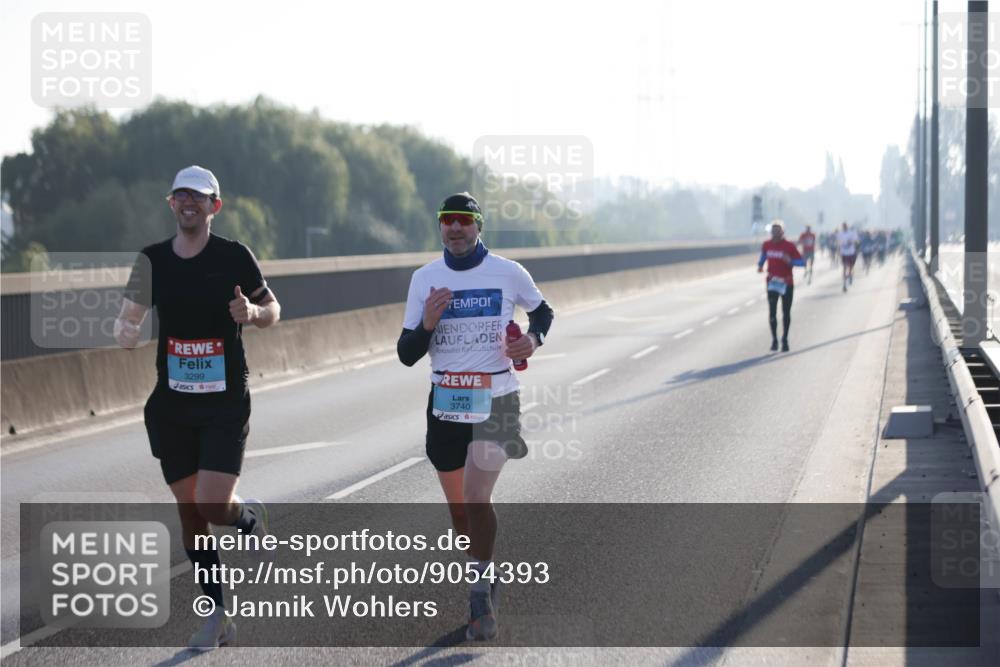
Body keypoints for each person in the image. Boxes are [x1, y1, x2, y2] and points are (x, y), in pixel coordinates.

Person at [115, 166, 281, 651]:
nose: (188, 203)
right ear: (172, 204)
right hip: (172, 404)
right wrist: (124, 332)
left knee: (211, 503)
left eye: (199, 197)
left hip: (224, 401)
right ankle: (217, 617)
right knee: (190, 514)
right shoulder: (151, 260)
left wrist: (253, 314)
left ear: (215, 206)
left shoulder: (234, 256)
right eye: (180, 196)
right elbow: (128, 318)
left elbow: (274, 308)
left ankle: (247, 517)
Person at [397, 192, 554, 641]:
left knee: (475, 496)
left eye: (464, 221)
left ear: (478, 226)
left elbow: (543, 311)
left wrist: (533, 339)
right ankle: (485, 570)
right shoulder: (425, 279)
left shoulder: (508, 272)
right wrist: (427, 322)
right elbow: (407, 354)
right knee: (460, 514)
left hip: (498, 399)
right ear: (440, 227)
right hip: (446, 407)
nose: (455, 228)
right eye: (447, 221)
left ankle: (478, 594)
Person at [758, 220, 804, 352]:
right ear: (771, 233)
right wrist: (760, 266)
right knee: (772, 312)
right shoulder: (766, 245)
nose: (775, 234)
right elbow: (763, 257)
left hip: (786, 283)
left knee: (786, 312)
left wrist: (790, 261)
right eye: (773, 231)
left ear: (782, 232)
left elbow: (801, 262)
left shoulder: (789, 246)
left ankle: (785, 339)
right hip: (772, 282)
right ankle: (774, 340)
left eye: (778, 231)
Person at [836, 222, 860, 291]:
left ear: (847, 226)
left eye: (845, 226)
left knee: (851, 267)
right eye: (843, 226)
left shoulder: (852, 233)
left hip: (851, 253)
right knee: (844, 267)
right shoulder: (840, 234)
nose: (844, 227)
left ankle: (850, 276)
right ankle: (844, 284)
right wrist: (838, 251)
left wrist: (852, 242)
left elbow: (857, 242)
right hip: (844, 253)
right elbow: (838, 243)